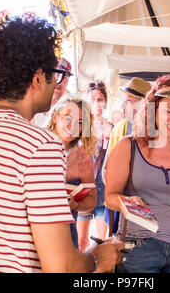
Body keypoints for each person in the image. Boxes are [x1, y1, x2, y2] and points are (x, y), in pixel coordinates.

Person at [0, 14, 123, 273]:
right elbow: (62, 267)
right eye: (56, 74)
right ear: (38, 78)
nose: (57, 84)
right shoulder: (40, 144)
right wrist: (98, 257)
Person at [105, 74, 170, 273]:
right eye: (169, 110)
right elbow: (110, 198)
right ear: (153, 110)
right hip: (137, 247)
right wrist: (127, 202)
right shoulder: (127, 147)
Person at [45, 95, 97, 248]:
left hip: (67, 233)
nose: (72, 126)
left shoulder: (82, 156)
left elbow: (92, 200)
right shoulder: (38, 148)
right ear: (55, 117)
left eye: (80, 122)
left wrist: (75, 206)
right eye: (68, 118)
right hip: (37, 232)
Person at [102, 77, 152, 235]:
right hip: (125, 205)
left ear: (143, 105)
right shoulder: (121, 127)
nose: (122, 106)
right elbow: (106, 169)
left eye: (129, 101)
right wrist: (122, 198)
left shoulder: (155, 133)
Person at [77, 80, 112, 250]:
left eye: (100, 99)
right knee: (81, 241)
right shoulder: (81, 127)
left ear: (105, 101)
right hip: (84, 189)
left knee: (100, 242)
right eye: (93, 99)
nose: (97, 103)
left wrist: (109, 138)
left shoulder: (112, 127)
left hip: (103, 189)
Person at [31, 57, 73, 127]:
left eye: (64, 76)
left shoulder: (74, 106)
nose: (58, 81)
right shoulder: (32, 105)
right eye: (54, 75)